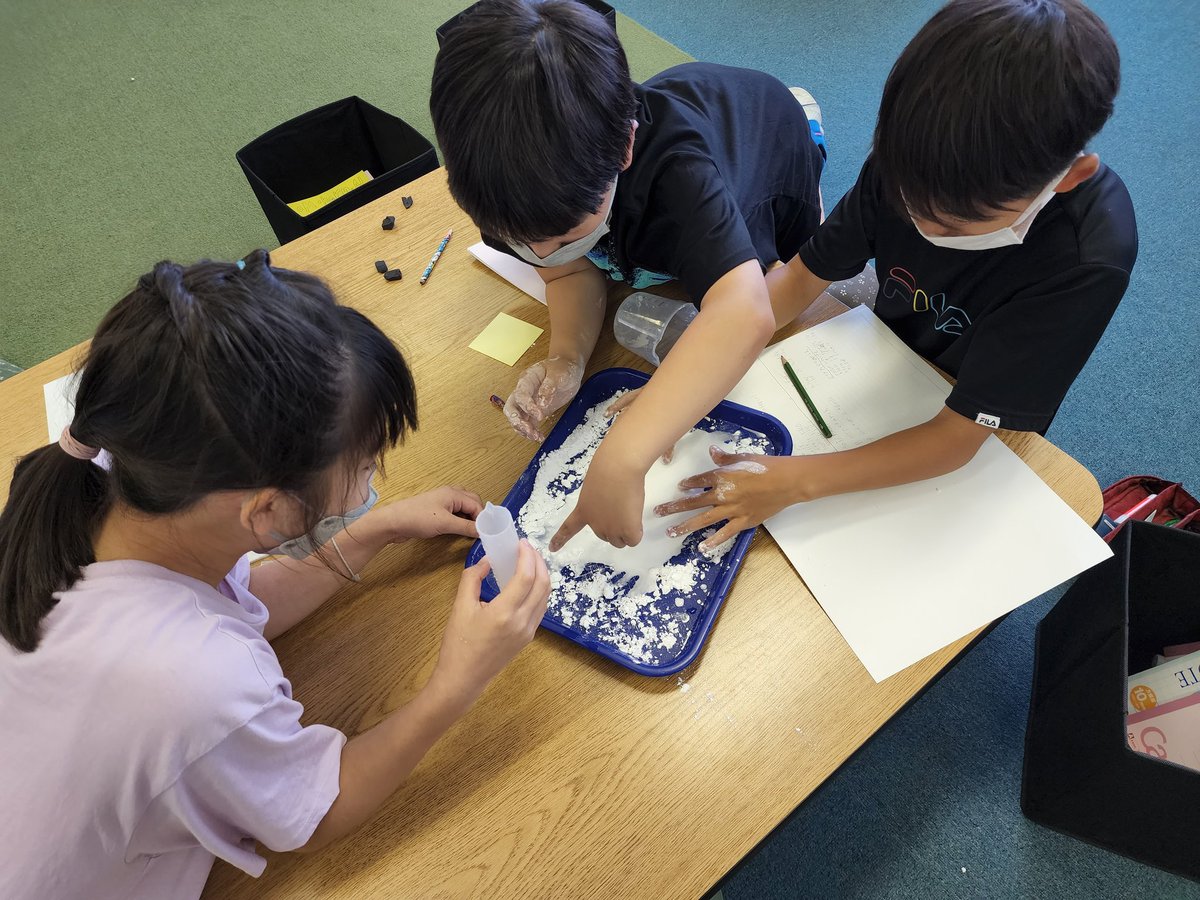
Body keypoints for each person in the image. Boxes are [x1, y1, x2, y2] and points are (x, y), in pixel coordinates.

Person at [0, 250, 549, 899]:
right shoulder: (194, 681)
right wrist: (458, 681)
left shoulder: (117, 484)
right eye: (368, 468)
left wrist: (375, 527)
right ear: (267, 511)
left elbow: (233, 601)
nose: (372, 481)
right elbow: (314, 811)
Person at [656, 0, 1137, 549]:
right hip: (887, 348)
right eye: (910, 206)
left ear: (1069, 178)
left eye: (956, 224)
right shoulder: (908, 157)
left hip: (979, 406)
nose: (924, 223)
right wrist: (681, 385)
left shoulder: (1087, 258)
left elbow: (958, 439)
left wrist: (795, 481)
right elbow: (795, 282)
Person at [430, 0, 826, 551]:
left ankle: (811, 125)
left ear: (625, 149)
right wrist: (567, 355)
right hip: (637, 178)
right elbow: (569, 269)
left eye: (564, 234)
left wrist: (623, 457)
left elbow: (747, 311)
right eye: (521, 242)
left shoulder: (680, 175)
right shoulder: (508, 183)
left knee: (769, 266)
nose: (539, 252)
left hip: (761, 141)